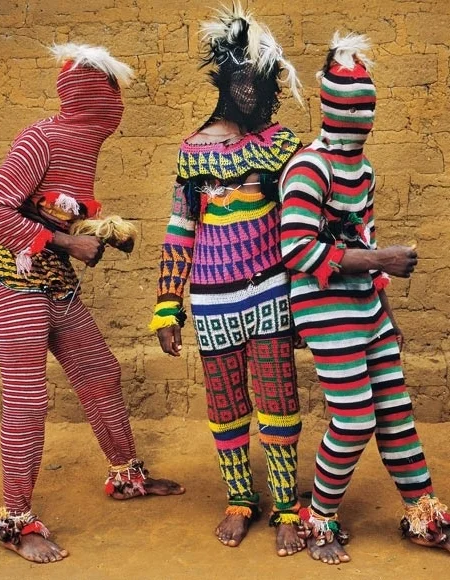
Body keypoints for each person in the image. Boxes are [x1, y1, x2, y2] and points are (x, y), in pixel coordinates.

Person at [0, 43, 184, 565]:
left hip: (52, 277)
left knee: (100, 372)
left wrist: (101, 233)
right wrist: (69, 242)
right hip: (13, 277)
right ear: (89, 96)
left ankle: (126, 476)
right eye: (110, 92)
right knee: (27, 398)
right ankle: (16, 521)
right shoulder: (40, 138)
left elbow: (47, 212)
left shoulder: (79, 147)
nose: (117, 106)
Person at [279, 32, 450, 565]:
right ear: (331, 108)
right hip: (322, 306)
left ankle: (423, 513)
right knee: (354, 419)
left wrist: (386, 313)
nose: (361, 117)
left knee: (395, 411)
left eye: (366, 106)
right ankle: (319, 516)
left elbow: (365, 239)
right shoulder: (310, 167)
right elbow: (297, 250)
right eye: (351, 107)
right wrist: (381, 260)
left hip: (365, 305)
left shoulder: (365, 170)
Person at [150, 3, 305, 556]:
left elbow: (302, 223)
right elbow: (180, 229)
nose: (248, 91)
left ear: (270, 85)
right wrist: (168, 304)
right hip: (213, 301)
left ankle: (287, 505)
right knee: (224, 405)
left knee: (279, 398)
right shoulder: (193, 151)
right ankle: (241, 499)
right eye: (240, 80)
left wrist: (307, 297)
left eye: (258, 81)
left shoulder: (281, 144)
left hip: (271, 292)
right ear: (222, 80)